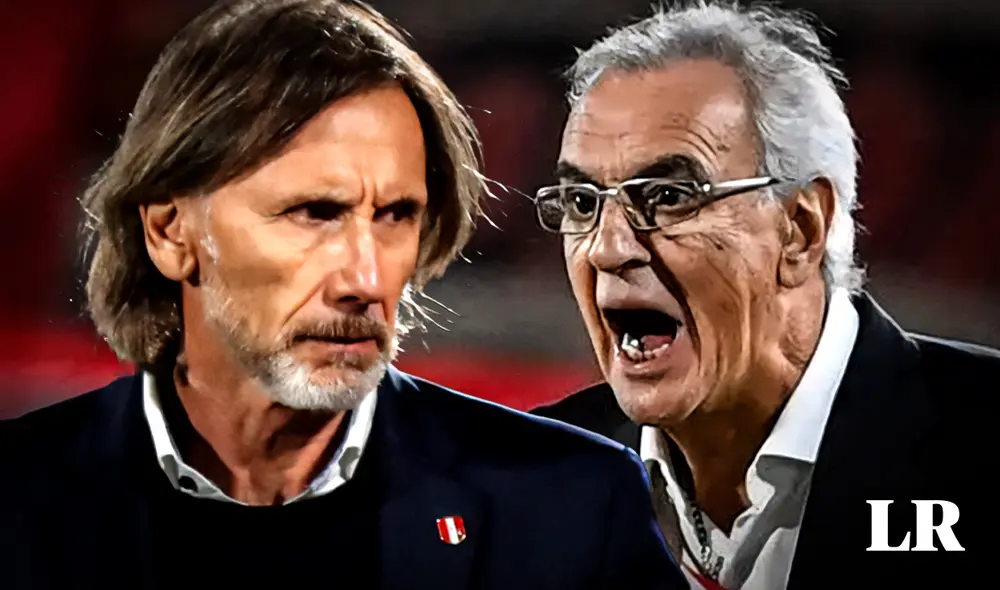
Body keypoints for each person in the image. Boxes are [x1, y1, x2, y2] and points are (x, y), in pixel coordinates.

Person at [0, 2, 687, 588]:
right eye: (314, 213)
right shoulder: (16, 498)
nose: (366, 280)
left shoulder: (572, 506)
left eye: (396, 216)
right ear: (169, 232)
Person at [532, 2, 995, 589]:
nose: (607, 248)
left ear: (800, 229)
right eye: (582, 203)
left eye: (670, 196)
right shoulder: (538, 475)